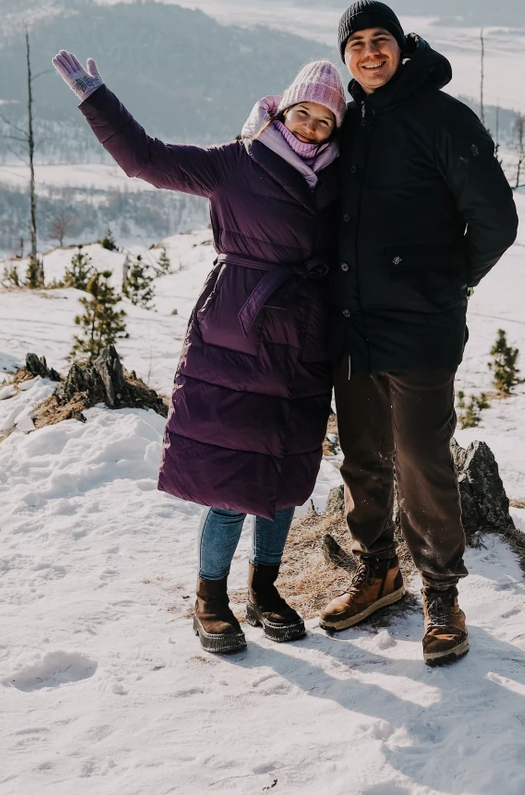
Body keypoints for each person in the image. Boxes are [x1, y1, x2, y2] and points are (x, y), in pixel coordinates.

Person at [52, 50, 345, 656]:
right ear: (281, 111)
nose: (313, 128)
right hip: (241, 333)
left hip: (305, 343)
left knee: (285, 478)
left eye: (326, 121)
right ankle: (210, 598)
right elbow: (147, 159)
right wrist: (95, 99)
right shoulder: (236, 163)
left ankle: (264, 591)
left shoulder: (341, 176)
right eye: (304, 114)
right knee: (232, 484)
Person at [319, 0, 518, 667]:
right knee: (361, 456)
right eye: (356, 44)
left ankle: (441, 593)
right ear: (345, 56)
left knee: (421, 461)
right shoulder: (350, 122)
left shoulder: (443, 118)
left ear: (402, 46)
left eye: (381, 39)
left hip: (421, 329)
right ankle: (377, 571)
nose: (369, 52)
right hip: (353, 325)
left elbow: (496, 221)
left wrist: (447, 284)